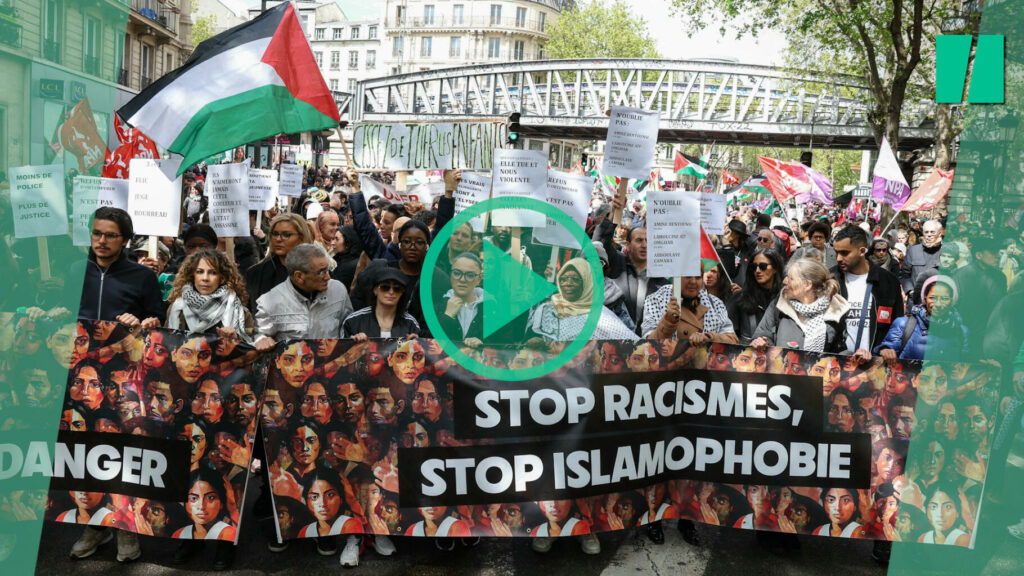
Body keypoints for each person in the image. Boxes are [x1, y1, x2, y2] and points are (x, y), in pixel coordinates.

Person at [74, 207, 165, 331]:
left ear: (125, 240)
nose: (102, 241)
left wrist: (142, 324)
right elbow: (67, 312)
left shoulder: (144, 276)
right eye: (96, 233)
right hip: (81, 346)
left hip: (124, 347)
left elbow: (157, 323)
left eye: (110, 236)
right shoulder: (77, 269)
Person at [253, 244, 354, 351]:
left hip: (331, 364)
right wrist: (262, 340)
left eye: (327, 269)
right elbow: (260, 335)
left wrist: (354, 337)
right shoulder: (270, 302)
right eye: (321, 272)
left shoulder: (338, 290)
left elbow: (348, 326)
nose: (327, 277)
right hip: (294, 365)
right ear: (299, 276)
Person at [148, 249, 253, 344]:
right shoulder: (177, 309)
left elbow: (250, 354)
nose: (205, 278)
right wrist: (154, 331)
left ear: (222, 278)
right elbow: (167, 347)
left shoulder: (240, 313)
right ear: (192, 275)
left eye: (213, 272)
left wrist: (236, 340)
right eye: (200, 272)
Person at [750, 258, 850, 354]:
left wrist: (855, 356)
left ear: (807, 285)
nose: (785, 281)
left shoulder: (835, 311)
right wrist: (759, 342)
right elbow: (762, 335)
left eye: (790, 278)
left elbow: (839, 354)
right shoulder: (779, 305)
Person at [831, 225, 904, 356]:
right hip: (838, 364)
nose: (838, 258)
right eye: (836, 252)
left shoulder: (888, 281)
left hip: (875, 367)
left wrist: (886, 347)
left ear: (862, 251)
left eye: (845, 253)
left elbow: (897, 324)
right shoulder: (830, 279)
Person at [526, 257, 638, 342]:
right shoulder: (546, 308)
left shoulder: (602, 315)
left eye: (574, 279)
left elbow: (632, 343)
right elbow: (530, 340)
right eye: (564, 279)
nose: (568, 283)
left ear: (585, 283)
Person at [876, 274, 967, 362]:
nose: (938, 304)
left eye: (944, 299)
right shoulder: (904, 325)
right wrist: (884, 350)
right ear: (925, 298)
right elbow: (885, 352)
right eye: (932, 298)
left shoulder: (962, 331)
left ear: (952, 301)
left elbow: (967, 366)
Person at [642, 275, 738, 345]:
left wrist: (708, 337)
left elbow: (732, 340)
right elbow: (648, 345)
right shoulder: (656, 300)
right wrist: (667, 322)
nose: (693, 282)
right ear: (676, 278)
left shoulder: (715, 303)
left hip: (704, 370)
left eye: (698, 277)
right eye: (688, 276)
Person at [245, 213, 313, 312]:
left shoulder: (317, 272)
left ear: (301, 238)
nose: (278, 239)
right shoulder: (255, 273)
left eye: (286, 235)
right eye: (275, 234)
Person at [952, 235, 1006, 353]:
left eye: (998, 251)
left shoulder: (1000, 277)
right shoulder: (959, 276)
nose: (998, 255)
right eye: (992, 252)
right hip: (965, 337)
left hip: (991, 337)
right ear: (978, 255)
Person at [342, 267, 420, 340]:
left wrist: (416, 345)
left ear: (402, 293)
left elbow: (418, 352)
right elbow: (340, 352)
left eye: (397, 289)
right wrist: (352, 344)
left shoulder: (410, 323)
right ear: (375, 290)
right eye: (385, 287)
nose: (391, 292)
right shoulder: (353, 321)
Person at [727, 248, 784, 344]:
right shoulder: (739, 298)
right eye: (754, 267)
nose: (757, 270)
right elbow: (727, 333)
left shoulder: (785, 298)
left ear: (775, 268)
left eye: (763, 266)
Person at [437, 252, 492, 345]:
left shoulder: (494, 309)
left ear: (479, 279)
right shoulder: (438, 307)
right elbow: (429, 344)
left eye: (470, 275)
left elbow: (505, 346)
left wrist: (483, 345)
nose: (462, 279)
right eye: (457, 273)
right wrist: (447, 316)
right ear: (450, 275)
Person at [900, 219, 943, 297]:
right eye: (926, 232)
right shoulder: (913, 250)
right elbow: (904, 274)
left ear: (939, 234)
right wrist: (910, 291)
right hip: (915, 300)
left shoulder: (946, 252)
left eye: (932, 232)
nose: (929, 235)